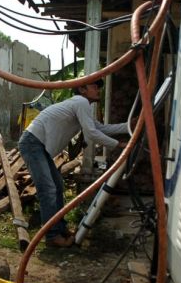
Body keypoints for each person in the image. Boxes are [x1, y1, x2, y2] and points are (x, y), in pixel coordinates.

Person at [18, 79, 130, 247]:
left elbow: (100, 128)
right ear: (82, 89)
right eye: (94, 86)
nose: (98, 90)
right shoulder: (81, 101)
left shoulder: (81, 105)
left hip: (39, 145)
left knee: (57, 187)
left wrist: (129, 126)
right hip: (33, 143)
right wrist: (119, 145)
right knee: (48, 189)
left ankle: (59, 228)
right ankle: (52, 236)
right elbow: (92, 133)